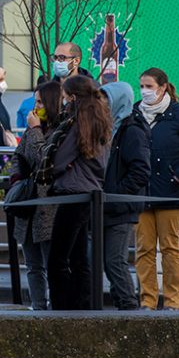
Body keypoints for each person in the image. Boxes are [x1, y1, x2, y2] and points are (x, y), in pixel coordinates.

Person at [37, 75, 111, 311]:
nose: (64, 100)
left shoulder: (75, 123)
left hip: (73, 192)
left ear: (73, 96)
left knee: (58, 257)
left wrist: (59, 164)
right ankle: (83, 305)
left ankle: (62, 308)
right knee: (79, 257)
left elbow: (59, 160)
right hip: (90, 192)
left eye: (66, 96)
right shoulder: (98, 118)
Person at [135, 68, 179, 311]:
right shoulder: (136, 112)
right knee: (144, 249)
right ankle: (147, 301)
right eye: (141, 85)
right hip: (142, 192)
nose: (144, 91)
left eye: (149, 86)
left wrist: (178, 175)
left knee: (170, 249)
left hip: (170, 193)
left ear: (162, 87)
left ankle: (173, 302)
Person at [6, 81, 62, 310]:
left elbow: (45, 161)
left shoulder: (59, 130)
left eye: (40, 102)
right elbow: (18, 157)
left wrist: (37, 130)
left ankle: (56, 305)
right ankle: (38, 304)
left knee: (51, 261)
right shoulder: (32, 128)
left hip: (48, 204)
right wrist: (16, 179)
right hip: (28, 202)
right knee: (32, 262)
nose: (35, 106)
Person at [100, 81, 151, 311]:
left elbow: (141, 170)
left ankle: (129, 305)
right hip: (108, 204)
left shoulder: (131, 131)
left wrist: (116, 193)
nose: (101, 105)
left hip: (120, 206)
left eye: (105, 100)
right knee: (108, 261)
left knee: (114, 261)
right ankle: (122, 303)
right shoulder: (111, 128)